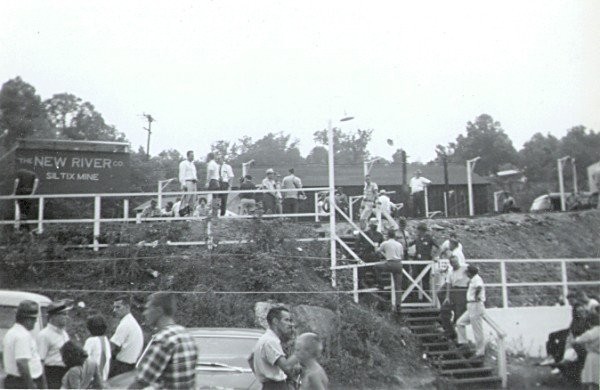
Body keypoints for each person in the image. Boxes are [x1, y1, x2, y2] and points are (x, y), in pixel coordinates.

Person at [129, 293, 198, 389]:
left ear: (159, 311)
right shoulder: (185, 334)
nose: (144, 313)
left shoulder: (163, 339)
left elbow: (141, 382)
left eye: (147, 308)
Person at [248, 307, 299, 390]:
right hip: (275, 386)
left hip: (269, 385)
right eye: (286, 320)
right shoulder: (270, 341)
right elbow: (286, 367)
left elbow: (250, 358)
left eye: (290, 320)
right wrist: (301, 351)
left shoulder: (265, 338)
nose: (290, 324)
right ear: (275, 321)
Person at [2, 300, 47, 389]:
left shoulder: (12, 332)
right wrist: (30, 386)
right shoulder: (22, 335)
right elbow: (22, 363)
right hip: (23, 382)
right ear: (27, 319)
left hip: (15, 380)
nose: (35, 322)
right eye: (34, 319)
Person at [37, 300, 72, 389]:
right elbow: (41, 362)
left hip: (65, 374)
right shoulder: (44, 335)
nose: (66, 317)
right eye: (63, 314)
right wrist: (44, 385)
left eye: (66, 314)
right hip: (52, 375)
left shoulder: (64, 333)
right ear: (54, 316)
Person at [455, 265, 487, 358]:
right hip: (471, 306)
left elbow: (479, 287)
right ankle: (463, 344)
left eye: (467, 272)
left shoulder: (477, 279)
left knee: (477, 330)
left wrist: (476, 297)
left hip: (475, 305)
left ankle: (480, 352)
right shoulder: (473, 279)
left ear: (470, 272)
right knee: (460, 323)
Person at [109, 296, 143, 378]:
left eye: (118, 307)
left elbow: (112, 347)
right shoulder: (131, 321)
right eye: (114, 307)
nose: (114, 310)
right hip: (130, 366)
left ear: (127, 307)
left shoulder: (126, 324)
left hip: (122, 367)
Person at [439, 255, 470, 340]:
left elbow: (475, 274)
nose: (456, 264)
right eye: (453, 263)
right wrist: (447, 297)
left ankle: (461, 340)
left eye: (456, 262)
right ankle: (450, 331)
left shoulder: (465, 267)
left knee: (459, 314)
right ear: (451, 264)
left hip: (463, 292)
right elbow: (448, 283)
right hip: (453, 291)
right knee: (444, 310)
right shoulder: (450, 271)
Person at [407, 222, 440, 299]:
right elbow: (408, 245)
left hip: (426, 263)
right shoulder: (417, 238)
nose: (417, 231)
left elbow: (439, 247)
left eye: (418, 230)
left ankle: (426, 299)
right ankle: (415, 298)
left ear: (422, 230)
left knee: (425, 281)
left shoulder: (429, 238)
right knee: (414, 279)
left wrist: (436, 256)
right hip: (417, 262)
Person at [572, 307, 600, 390]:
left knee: (591, 379)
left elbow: (577, 341)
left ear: (589, 323)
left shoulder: (590, 333)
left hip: (592, 357)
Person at [376, 230, 405, 307]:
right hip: (399, 264)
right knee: (398, 286)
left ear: (388, 236)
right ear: (394, 236)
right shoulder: (399, 244)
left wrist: (377, 247)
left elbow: (377, 251)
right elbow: (402, 256)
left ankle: (380, 283)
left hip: (390, 263)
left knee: (376, 267)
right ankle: (398, 304)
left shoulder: (385, 243)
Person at [83, 314, 111, 382]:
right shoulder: (105, 339)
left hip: (92, 377)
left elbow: (83, 359)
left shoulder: (91, 341)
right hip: (104, 377)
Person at [205, 152, 221, 217]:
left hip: (212, 181)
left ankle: (210, 213)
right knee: (215, 198)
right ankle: (215, 213)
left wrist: (207, 182)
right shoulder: (215, 164)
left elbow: (210, 173)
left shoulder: (211, 164)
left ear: (209, 157)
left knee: (210, 197)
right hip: (216, 182)